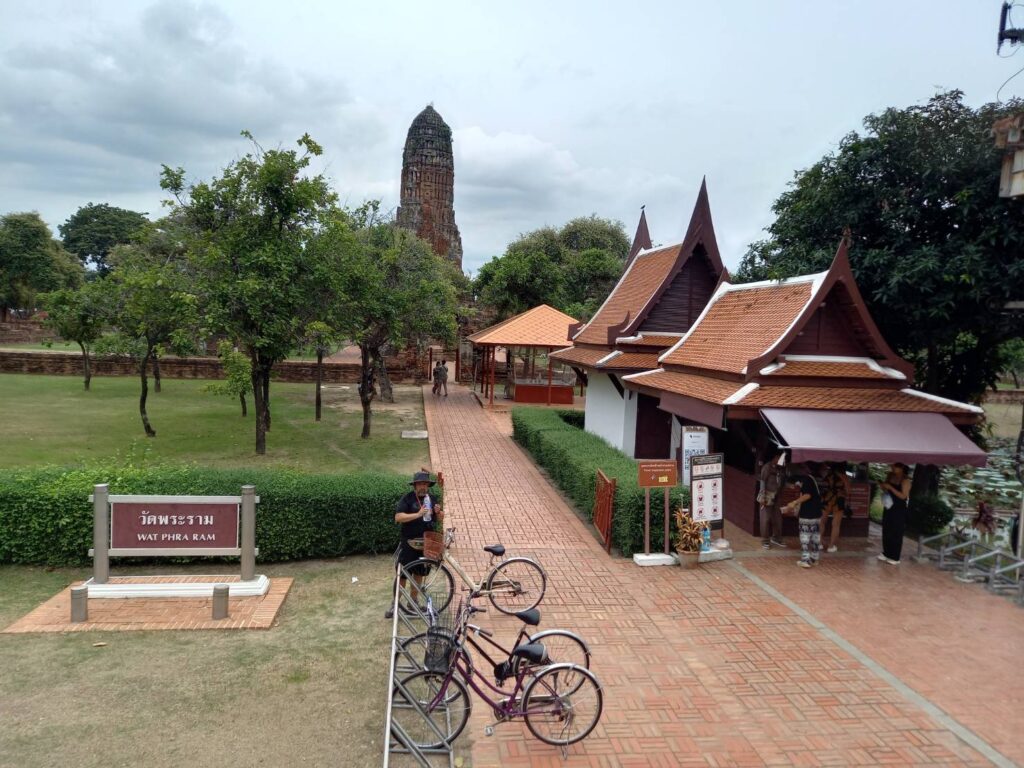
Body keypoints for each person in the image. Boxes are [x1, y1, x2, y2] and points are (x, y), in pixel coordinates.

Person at [385, 470, 443, 618]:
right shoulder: (408, 499)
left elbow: (439, 519)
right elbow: (398, 517)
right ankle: (395, 604)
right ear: (415, 486)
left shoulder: (432, 498)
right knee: (403, 574)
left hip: (426, 542)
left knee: (419, 572)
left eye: (425, 484)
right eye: (420, 484)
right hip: (409, 542)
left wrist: (439, 513)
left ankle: (413, 602)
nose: (423, 486)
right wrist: (417, 514)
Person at [782, 464, 823, 568]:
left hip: (808, 514)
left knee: (805, 537)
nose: (794, 487)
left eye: (793, 485)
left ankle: (805, 560)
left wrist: (794, 502)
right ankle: (814, 559)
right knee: (815, 537)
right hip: (816, 513)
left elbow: (807, 495)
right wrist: (795, 509)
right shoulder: (810, 479)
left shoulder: (806, 481)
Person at [878, 462, 911, 565]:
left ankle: (895, 556)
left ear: (901, 468)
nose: (892, 468)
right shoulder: (890, 476)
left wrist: (890, 487)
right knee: (886, 529)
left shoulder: (905, 481)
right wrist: (883, 485)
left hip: (899, 508)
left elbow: (903, 496)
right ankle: (886, 552)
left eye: (894, 466)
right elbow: (885, 488)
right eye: (892, 466)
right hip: (889, 506)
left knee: (896, 531)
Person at [757, 450, 787, 550]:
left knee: (778, 518)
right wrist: (762, 495)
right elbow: (762, 481)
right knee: (765, 519)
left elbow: (782, 482)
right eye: (780, 458)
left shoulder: (781, 468)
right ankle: (765, 540)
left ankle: (776, 537)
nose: (782, 460)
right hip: (767, 495)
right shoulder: (767, 467)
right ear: (775, 457)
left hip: (777, 496)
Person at [818, 462, 850, 553]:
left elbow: (823, 486)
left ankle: (819, 543)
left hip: (827, 499)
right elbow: (848, 491)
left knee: (822, 521)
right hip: (838, 500)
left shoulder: (828, 474)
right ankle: (831, 546)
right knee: (836, 524)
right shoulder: (843, 476)